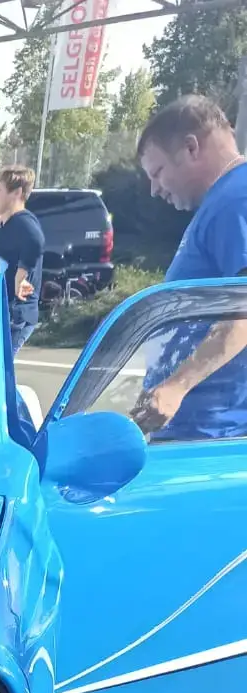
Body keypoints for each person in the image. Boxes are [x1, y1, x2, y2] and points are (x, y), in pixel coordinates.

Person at [131, 95, 247, 438]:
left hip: (212, 430)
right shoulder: (224, 200)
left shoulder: (237, 199)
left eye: (158, 172)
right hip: (199, 424)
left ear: (191, 147)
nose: (155, 189)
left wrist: (176, 386)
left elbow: (243, 308)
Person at [0, 166, 44, 354]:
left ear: (16, 193)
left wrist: (20, 276)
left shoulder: (22, 221)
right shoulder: (6, 224)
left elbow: (36, 241)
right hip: (4, 311)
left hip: (16, 316)